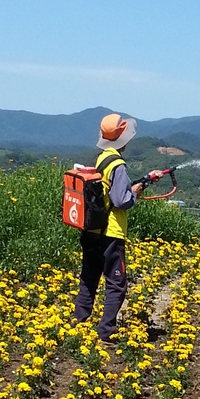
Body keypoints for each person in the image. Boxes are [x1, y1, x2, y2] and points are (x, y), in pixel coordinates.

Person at [73, 113, 160, 342]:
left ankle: (79, 323)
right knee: (116, 284)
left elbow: (107, 191)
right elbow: (122, 201)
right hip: (111, 233)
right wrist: (135, 193)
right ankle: (106, 332)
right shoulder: (118, 164)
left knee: (89, 278)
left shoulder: (102, 158)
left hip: (91, 230)